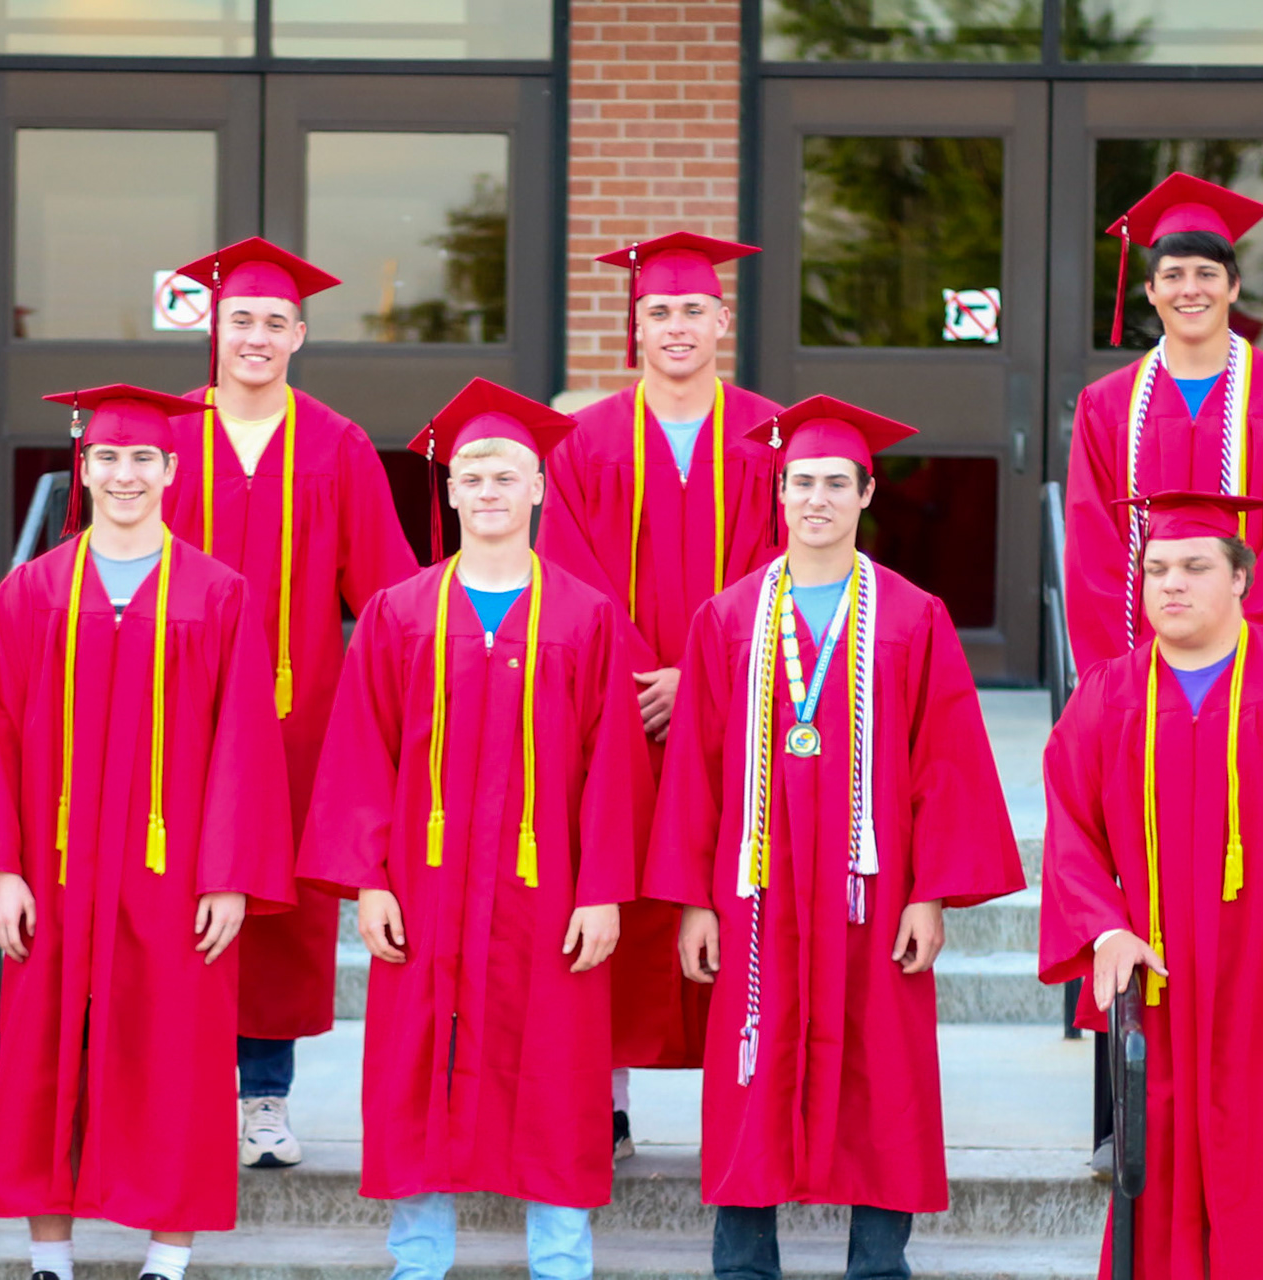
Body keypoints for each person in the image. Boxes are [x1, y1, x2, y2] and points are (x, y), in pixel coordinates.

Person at [647, 396, 1025, 1280]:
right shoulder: (728, 618)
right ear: (779, 495)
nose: (815, 498)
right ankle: (743, 1264)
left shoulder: (912, 615)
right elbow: (695, 769)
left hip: (872, 889)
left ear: (865, 497)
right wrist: (692, 904)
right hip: (756, 892)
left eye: (834, 484)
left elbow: (945, 760)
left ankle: (878, 1265)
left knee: (882, 1074)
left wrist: (930, 894)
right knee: (751, 1067)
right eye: (800, 483)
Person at [301, 377, 652, 1280]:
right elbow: (361, 755)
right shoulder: (398, 613)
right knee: (418, 1062)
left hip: (552, 890)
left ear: (539, 487)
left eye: (509, 475)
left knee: (561, 1068)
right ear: (449, 490)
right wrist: (369, 880)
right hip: (424, 884)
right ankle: (419, 1259)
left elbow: (615, 765)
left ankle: (561, 1259)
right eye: (473, 476)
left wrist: (606, 891)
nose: (490, 490)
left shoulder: (587, 616)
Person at [0, 384, 297, 1280]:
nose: (125, 473)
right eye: (108, 457)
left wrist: (228, 875)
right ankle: (49, 1260)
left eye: (143, 458)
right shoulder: (30, 593)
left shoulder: (219, 595)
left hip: (172, 870)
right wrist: (2, 870)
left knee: (175, 1052)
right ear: (84, 467)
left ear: (174, 471)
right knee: (42, 1053)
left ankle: (166, 1260)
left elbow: (242, 745)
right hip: (54, 872)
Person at [1040, 489, 1263, 1280]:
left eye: (1195, 566)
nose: (1172, 584)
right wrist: (1104, 927)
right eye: (1156, 568)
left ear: (1240, 580)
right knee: (1163, 1176)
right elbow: (1070, 830)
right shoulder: (1107, 697)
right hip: (1163, 988)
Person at [164, 237, 419, 1167]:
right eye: (242, 322)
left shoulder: (336, 444)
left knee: (277, 911)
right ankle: (179, 1091)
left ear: (300, 335)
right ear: (214, 328)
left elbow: (390, 596)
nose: (257, 339)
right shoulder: (162, 435)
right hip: (172, 718)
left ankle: (264, 1100)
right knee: (171, 895)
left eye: (275, 324)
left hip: (295, 716)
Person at [537, 231, 782, 1154]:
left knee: (736, 891)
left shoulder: (771, 435)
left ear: (723, 320)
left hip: (744, 708)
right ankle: (608, 1099)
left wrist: (701, 677)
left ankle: (745, 1092)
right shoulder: (584, 442)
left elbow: (787, 560)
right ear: (633, 326)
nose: (677, 327)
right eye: (658, 313)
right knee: (613, 888)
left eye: (693, 311)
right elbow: (569, 574)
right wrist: (648, 675)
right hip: (616, 710)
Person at [1064, 171, 1263, 676]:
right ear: (1150, 290)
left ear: (1233, 286)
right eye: (1172, 275)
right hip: (1144, 664)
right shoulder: (1105, 405)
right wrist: (1123, 671)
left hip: (1256, 662)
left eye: (1206, 273)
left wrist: (1254, 658)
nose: (1190, 290)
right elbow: (1093, 548)